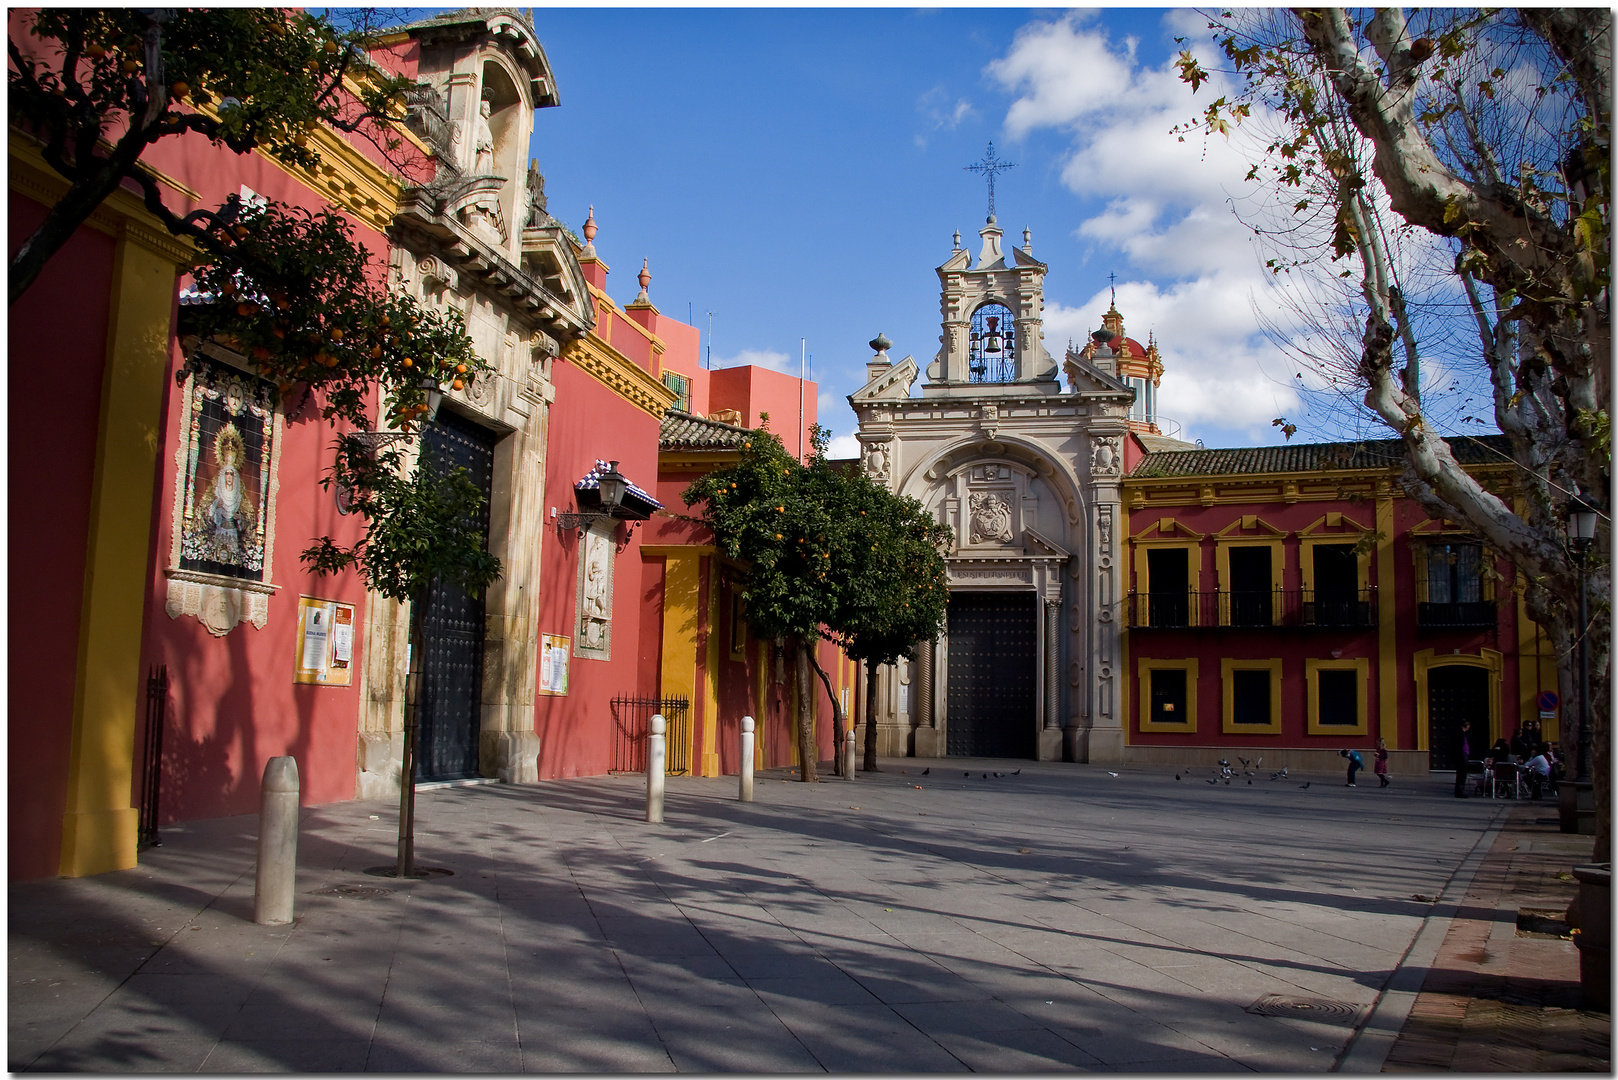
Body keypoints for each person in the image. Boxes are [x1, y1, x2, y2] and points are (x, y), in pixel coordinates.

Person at [1454, 720, 1473, 798]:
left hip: (1463, 755)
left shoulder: (1463, 734)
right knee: (1461, 775)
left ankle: (1460, 790)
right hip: (1461, 756)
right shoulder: (1459, 733)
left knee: (1462, 774)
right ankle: (1459, 791)